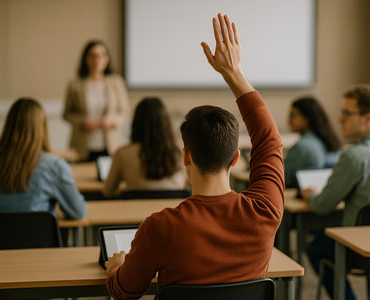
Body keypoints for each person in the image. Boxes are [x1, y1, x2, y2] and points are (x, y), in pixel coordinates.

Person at [105, 14, 284, 299]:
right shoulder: (264, 211)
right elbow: (270, 141)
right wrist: (233, 72)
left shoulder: (159, 227)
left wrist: (116, 267)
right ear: (236, 158)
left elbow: (125, 292)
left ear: (186, 156)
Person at [301, 85, 370, 300]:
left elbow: (323, 205)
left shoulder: (354, 156)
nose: (339, 119)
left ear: (368, 118)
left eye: (346, 113)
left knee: (316, 247)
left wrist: (311, 196)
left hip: (361, 252)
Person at [0, 98, 86, 220]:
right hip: (40, 239)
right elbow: (78, 212)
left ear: (8, 126)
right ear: (42, 128)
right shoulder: (54, 166)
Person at [103, 97, 188, 197]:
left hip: (134, 211)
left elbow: (108, 192)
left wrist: (125, 194)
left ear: (136, 123)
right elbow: (190, 187)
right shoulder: (180, 151)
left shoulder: (122, 154)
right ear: (166, 123)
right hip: (173, 211)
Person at [63, 40, 130, 162]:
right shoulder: (75, 85)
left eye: (101, 55)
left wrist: (112, 120)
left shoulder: (116, 82)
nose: (97, 60)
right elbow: (66, 114)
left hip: (110, 144)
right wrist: (83, 121)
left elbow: (125, 112)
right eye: (92, 56)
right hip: (82, 146)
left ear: (107, 59)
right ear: (86, 59)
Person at [284, 96, 342, 188]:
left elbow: (281, 178)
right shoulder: (329, 140)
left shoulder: (303, 147)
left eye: (293, 115)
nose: (289, 120)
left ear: (307, 118)